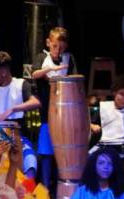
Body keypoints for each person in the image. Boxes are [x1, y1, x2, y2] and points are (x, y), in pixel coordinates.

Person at [0, 51, 41, 179]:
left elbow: (36, 102)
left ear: (4, 72)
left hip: (17, 136)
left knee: (31, 164)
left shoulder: (20, 85)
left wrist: (13, 109)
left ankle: (25, 191)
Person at [31, 27, 78, 189]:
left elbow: (75, 78)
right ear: (48, 43)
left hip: (65, 112)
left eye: (62, 47)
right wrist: (50, 70)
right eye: (55, 46)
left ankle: (62, 188)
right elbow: (34, 74)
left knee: (62, 153)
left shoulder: (68, 59)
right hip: (47, 112)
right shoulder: (42, 57)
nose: (58, 50)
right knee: (46, 153)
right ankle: (45, 188)